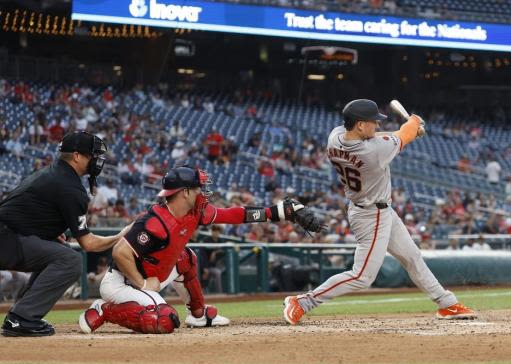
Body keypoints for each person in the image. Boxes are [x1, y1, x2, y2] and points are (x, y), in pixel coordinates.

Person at [283, 99, 477, 325]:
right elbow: (403, 134)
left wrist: (409, 131)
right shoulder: (374, 152)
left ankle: (447, 304)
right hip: (371, 216)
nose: (376, 125)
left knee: (412, 257)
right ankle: (303, 301)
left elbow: (382, 136)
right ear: (360, 125)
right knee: (362, 276)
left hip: (375, 209)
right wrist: (414, 122)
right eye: (372, 122)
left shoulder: (335, 137)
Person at [79, 166, 319, 334]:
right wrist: (141, 283)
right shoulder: (155, 221)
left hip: (155, 275)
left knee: (186, 258)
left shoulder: (196, 212)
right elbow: (120, 252)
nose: (202, 193)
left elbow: (234, 214)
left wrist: (276, 212)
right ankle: (105, 310)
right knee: (165, 321)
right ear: (184, 192)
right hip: (123, 283)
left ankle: (198, 315)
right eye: (197, 188)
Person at [0, 131, 130, 337]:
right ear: (77, 156)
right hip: (6, 238)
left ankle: (21, 315)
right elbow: (88, 243)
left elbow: (20, 213)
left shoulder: (52, 173)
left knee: (60, 250)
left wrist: (48, 234)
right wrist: (120, 236)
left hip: (9, 235)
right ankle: (22, 318)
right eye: (92, 156)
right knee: (71, 260)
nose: (97, 161)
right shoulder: (69, 186)